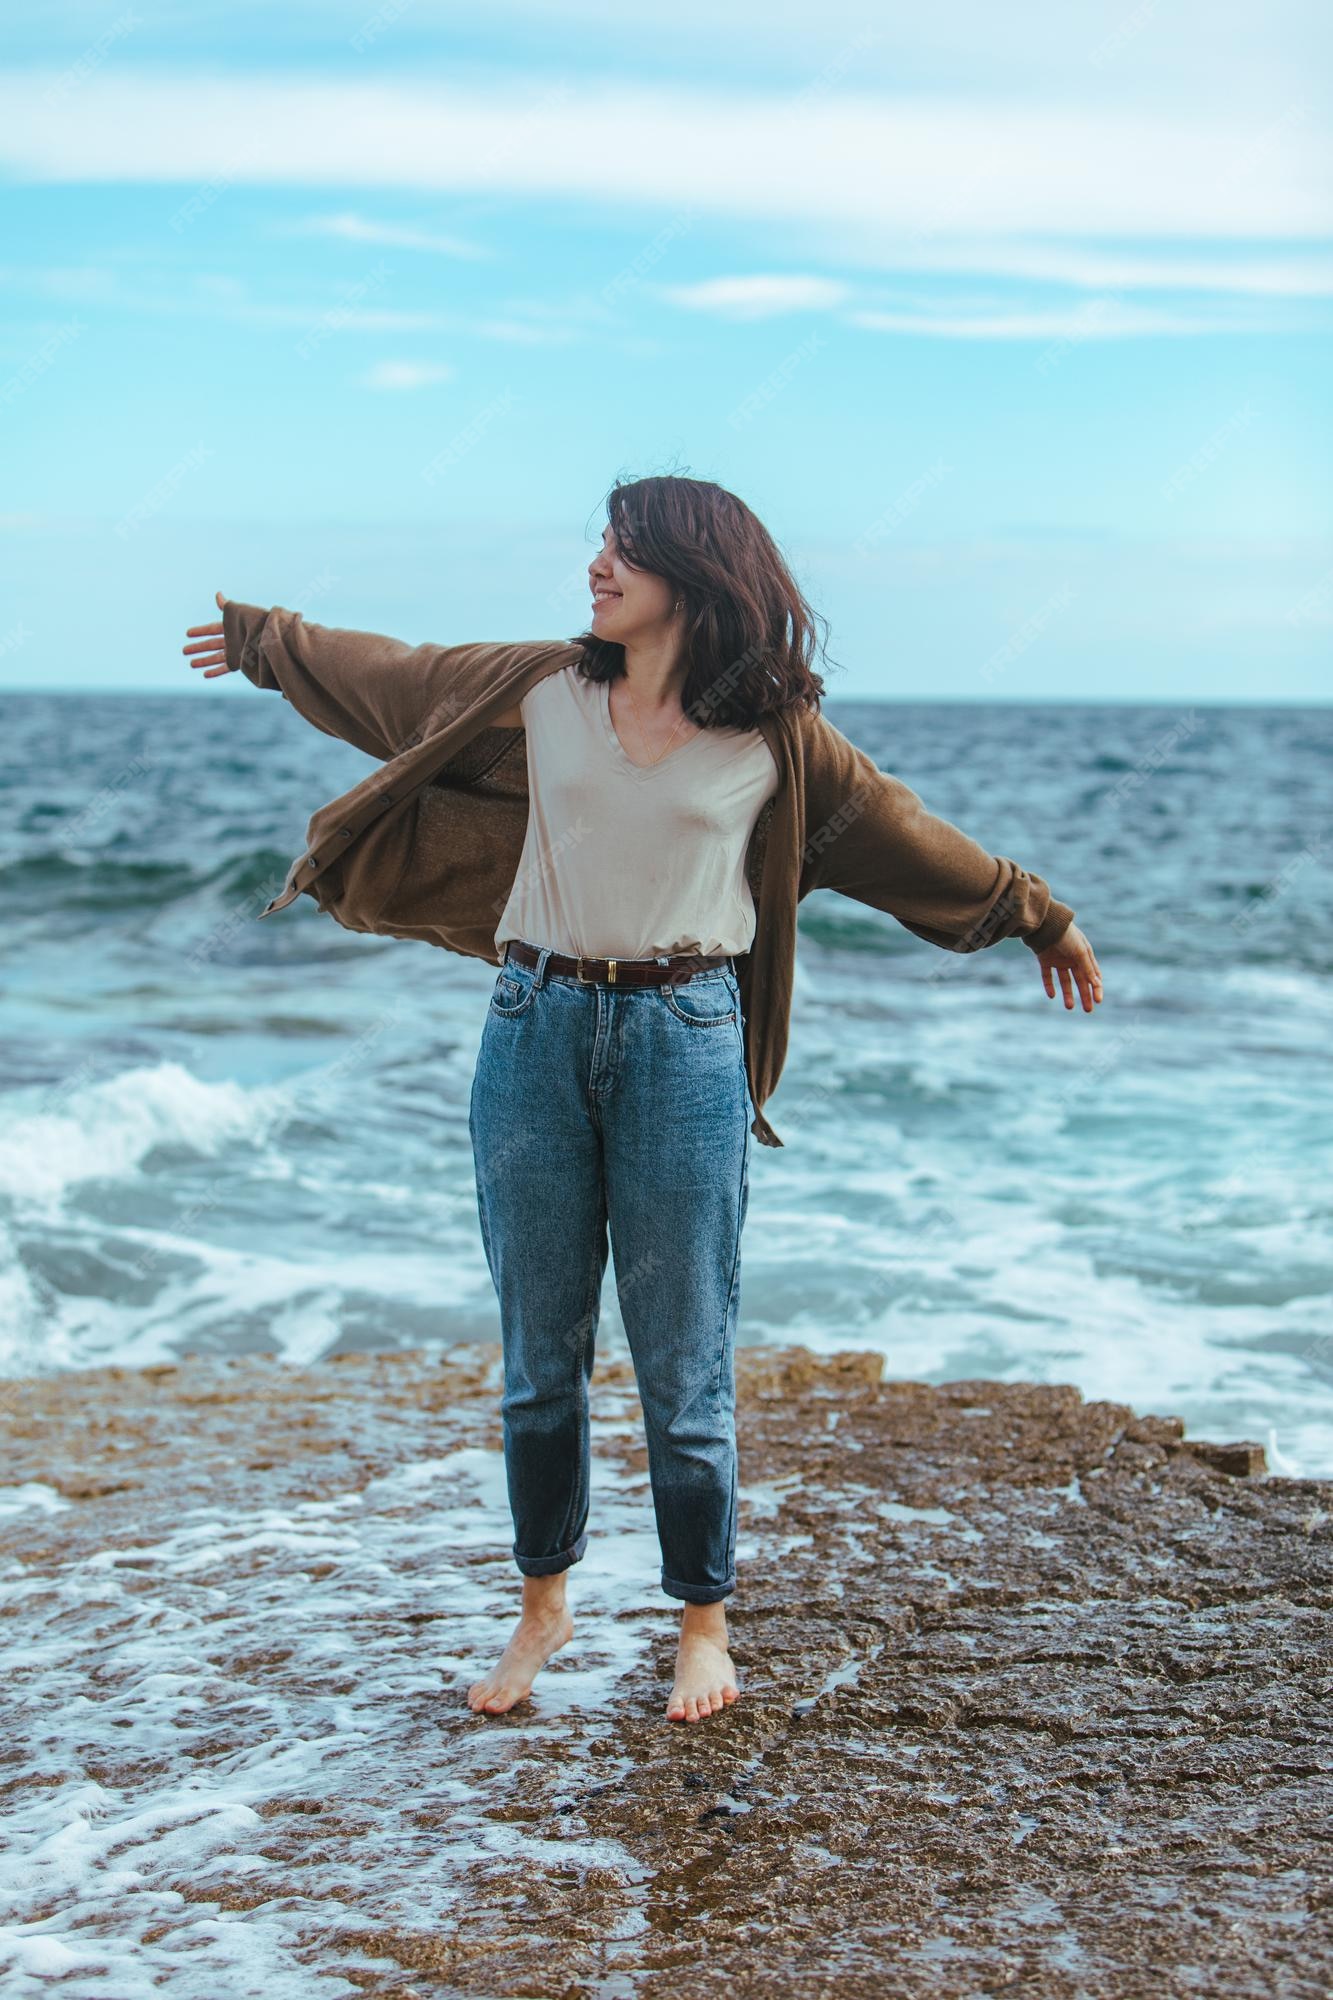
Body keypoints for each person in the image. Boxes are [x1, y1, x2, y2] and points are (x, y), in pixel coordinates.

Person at [184, 474, 1101, 1724]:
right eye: (600, 547)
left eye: (623, 550)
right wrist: (263, 639)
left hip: (685, 1037)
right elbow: (392, 675)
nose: (596, 568)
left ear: (696, 571)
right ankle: (541, 1607)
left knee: (684, 1363)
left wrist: (1034, 915)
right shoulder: (536, 687)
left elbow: (898, 832)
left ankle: (702, 1625)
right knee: (537, 1355)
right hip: (532, 1028)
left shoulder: (776, 739)